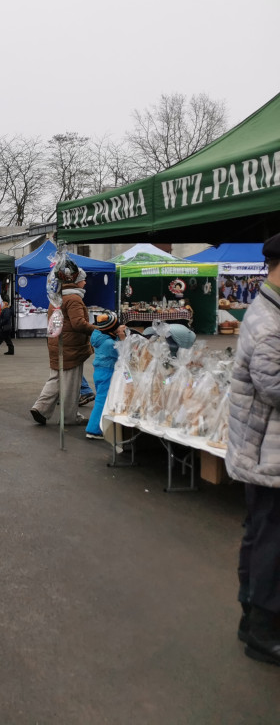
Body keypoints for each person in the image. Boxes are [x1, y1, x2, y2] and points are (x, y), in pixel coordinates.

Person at [228, 234, 280, 666]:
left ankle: (252, 617)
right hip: (269, 454)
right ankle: (263, 629)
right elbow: (273, 383)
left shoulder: (269, 312)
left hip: (263, 450)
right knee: (271, 541)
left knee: (261, 534)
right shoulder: (268, 323)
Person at [30, 262, 95, 426]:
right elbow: (78, 323)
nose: (85, 282)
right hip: (71, 347)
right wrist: (98, 330)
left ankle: (41, 408)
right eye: (83, 279)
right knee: (71, 384)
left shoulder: (57, 297)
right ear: (77, 281)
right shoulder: (74, 299)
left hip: (57, 344)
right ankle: (69, 417)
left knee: (56, 379)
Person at [84, 313, 126, 440]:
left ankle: (96, 427)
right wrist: (122, 337)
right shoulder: (108, 343)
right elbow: (122, 353)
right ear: (111, 329)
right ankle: (94, 430)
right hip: (107, 372)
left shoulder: (99, 335)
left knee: (102, 399)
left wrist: (116, 334)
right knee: (102, 401)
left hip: (100, 371)